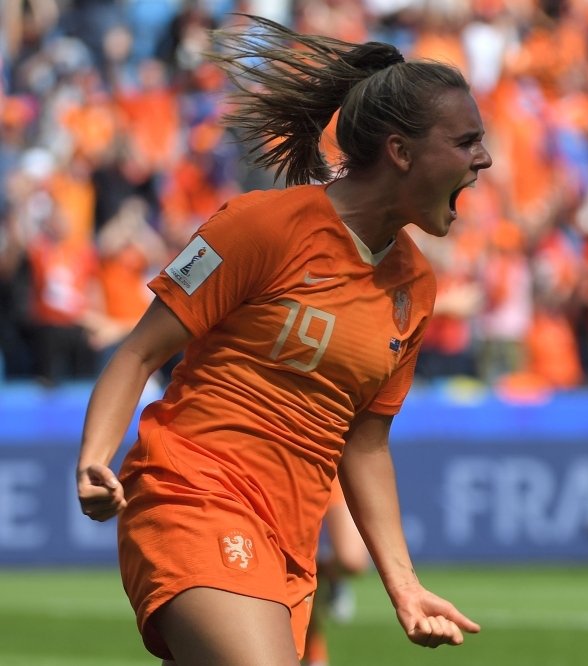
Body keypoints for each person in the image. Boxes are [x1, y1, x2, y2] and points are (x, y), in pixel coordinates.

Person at [75, 15, 490, 666]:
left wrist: (404, 587)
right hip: (193, 494)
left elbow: (366, 440)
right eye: (466, 141)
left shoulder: (416, 285)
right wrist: (95, 458)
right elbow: (139, 351)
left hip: (291, 542)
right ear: (401, 152)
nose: (483, 159)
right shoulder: (259, 226)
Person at [302, 477, 371, 666]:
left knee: (353, 561)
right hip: (289, 463)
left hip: (331, 462)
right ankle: (315, 656)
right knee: (295, 562)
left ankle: (330, 577)